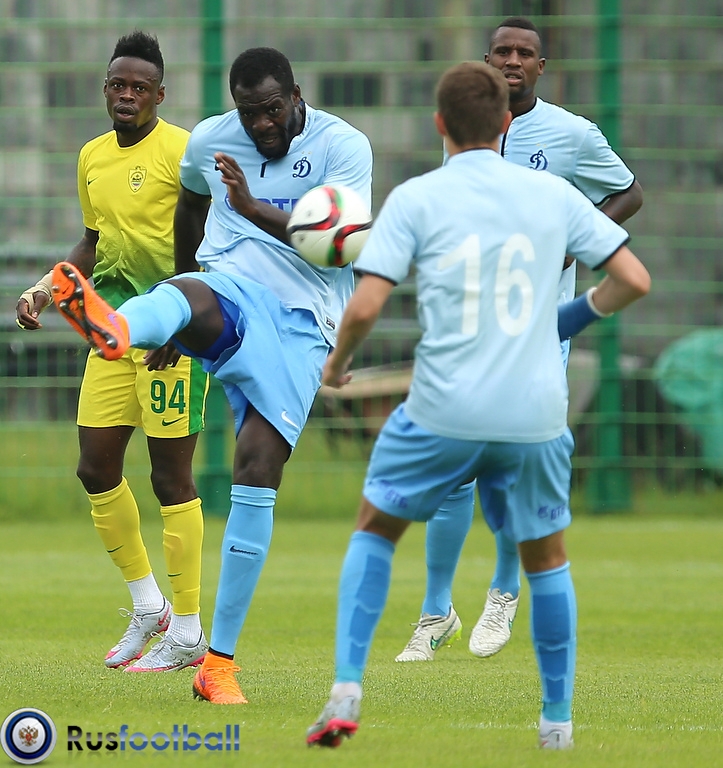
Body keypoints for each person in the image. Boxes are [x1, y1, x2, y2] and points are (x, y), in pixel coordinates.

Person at [306, 61, 650, 750]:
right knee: (547, 561)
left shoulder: (416, 198)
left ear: (439, 125)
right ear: (505, 123)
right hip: (535, 414)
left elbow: (365, 306)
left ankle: (345, 688)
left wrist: (337, 366)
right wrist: (563, 321)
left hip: (443, 409)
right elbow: (632, 280)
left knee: (374, 529)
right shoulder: (552, 195)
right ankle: (556, 724)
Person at [51, 46, 373, 705]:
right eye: (248, 113)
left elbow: (341, 244)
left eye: (271, 110)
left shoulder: (343, 145)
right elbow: (191, 209)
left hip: (304, 322)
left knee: (257, 471)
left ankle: (216, 664)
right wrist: (181, 302)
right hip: (231, 289)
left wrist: (251, 207)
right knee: (188, 294)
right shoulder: (211, 140)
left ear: (295, 96)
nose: (260, 124)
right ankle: (120, 327)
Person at [395, 16, 645, 663]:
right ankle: (435, 611)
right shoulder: (462, 133)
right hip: (467, 329)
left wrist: (574, 243)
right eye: (501, 51)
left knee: (512, 466)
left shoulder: (571, 134)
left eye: (524, 52)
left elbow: (628, 193)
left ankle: (503, 592)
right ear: (485, 61)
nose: (511, 60)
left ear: (540, 66)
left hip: (537, 331)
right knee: (451, 471)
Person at [15, 31, 209, 672]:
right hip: (112, 332)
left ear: (160, 94)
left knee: (170, 478)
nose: (126, 95)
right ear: (105, 90)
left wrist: (183, 326)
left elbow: (209, 246)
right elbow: (92, 241)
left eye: (139, 87)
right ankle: (149, 605)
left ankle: (189, 629)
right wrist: (46, 288)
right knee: (95, 468)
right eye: (117, 85)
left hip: (173, 338)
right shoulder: (92, 156)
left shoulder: (182, 151)